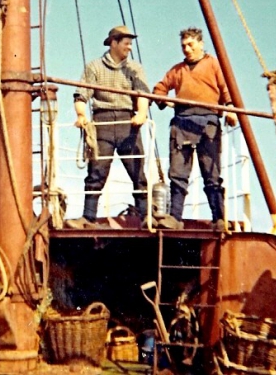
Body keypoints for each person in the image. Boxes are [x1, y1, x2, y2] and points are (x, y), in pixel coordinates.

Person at [152, 27, 238, 231]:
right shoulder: (177, 70)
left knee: (212, 172)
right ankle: (175, 218)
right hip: (182, 122)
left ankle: (219, 219)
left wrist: (231, 108)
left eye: (191, 44)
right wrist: (167, 102)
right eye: (183, 45)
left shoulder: (213, 64)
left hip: (208, 121)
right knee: (178, 173)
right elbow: (159, 89)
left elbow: (226, 89)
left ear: (201, 44)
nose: (187, 49)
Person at [66, 25, 150, 229]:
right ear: (114, 42)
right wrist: (81, 115)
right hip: (102, 122)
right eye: (126, 43)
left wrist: (141, 114)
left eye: (131, 44)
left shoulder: (135, 69)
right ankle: (88, 217)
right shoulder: (94, 67)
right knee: (96, 170)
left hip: (127, 123)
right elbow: (81, 95)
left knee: (137, 172)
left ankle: (146, 215)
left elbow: (143, 95)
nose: (129, 47)